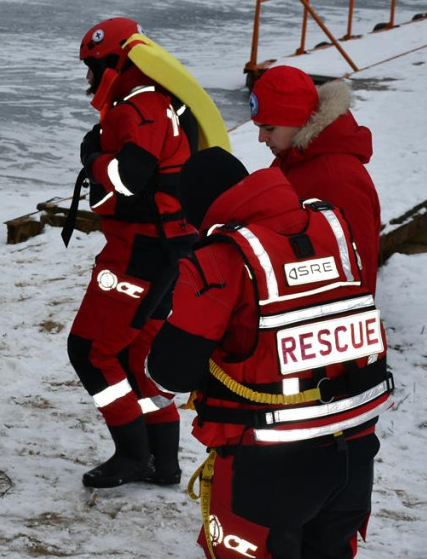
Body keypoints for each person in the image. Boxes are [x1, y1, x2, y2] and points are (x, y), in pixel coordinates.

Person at [147, 147, 394, 559]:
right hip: (355, 453)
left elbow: (170, 372)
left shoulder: (221, 258)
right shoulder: (331, 227)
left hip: (267, 469)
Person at [66, 17, 200, 488]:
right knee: (136, 353)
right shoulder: (161, 103)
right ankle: (163, 461)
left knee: (90, 351)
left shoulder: (136, 108)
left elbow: (130, 178)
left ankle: (132, 455)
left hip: (138, 250)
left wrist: (93, 158)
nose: (88, 77)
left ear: (113, 64)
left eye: (91, 67)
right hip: (168, 249)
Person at [251, 65, 381, 292]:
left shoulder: (338, 180)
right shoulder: (291, 158)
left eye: (269, 128)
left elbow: (357, 272)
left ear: (298, 120)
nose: (261, 138)